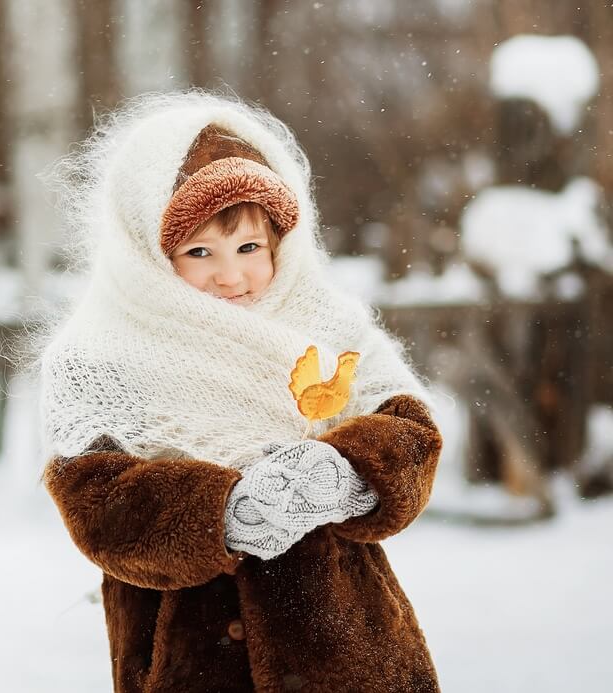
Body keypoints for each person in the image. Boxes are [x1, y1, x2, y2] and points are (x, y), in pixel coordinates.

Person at [35, 91, 443, 692]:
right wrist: (221, 513)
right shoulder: (98, 355)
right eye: (199, 252)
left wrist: (345, 470)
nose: (231, 275)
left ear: (281, 240)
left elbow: (413, 435)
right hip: (188, 654)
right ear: (147, 252)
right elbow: (96, 502)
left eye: (250, 247)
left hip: (347, 646)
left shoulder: (324, 323)